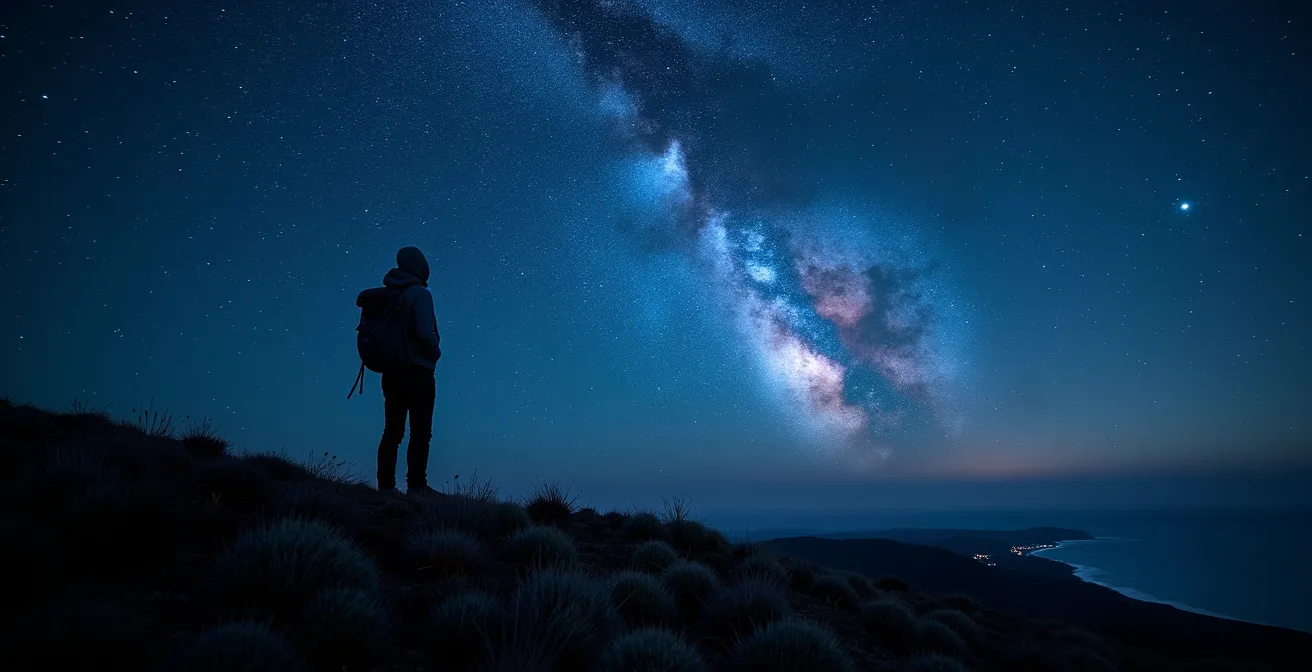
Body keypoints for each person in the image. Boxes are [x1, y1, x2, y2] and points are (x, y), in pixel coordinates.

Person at [374, 246, 441, 493]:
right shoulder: (419, 294)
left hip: (391, 371)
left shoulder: (388, 295)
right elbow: (424, 332)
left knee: (392, 430)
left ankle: (386, 486)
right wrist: (436, 352)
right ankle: (416, 485)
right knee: (420, 431)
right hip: (418, 371)